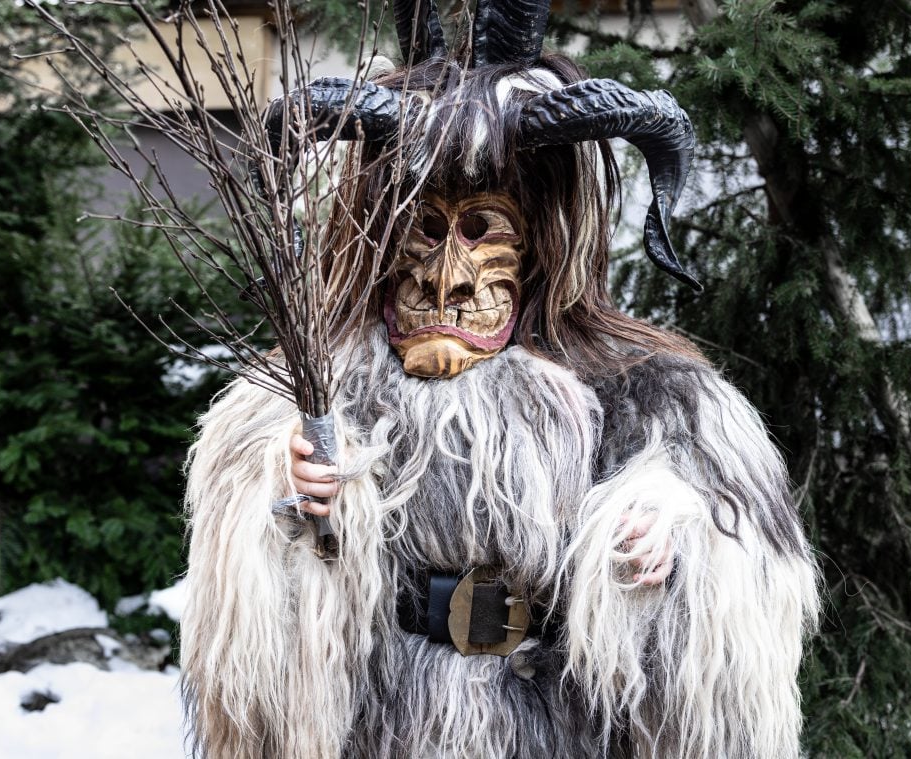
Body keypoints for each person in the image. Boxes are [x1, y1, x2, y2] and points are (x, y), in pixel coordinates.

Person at [180, 2, 819, 757]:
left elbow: (742, 544)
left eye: (481, 228)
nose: (446, 277)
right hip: (382, 720)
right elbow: (249, 565)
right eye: (425, 228)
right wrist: (288, 488)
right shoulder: (317, 382)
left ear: (542, 237)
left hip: (562, 721)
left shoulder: (648, 390)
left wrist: (669, 530)